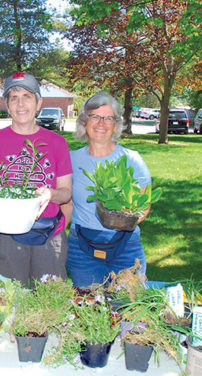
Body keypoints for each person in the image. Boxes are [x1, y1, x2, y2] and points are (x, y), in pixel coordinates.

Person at [0, 72, 72, 287]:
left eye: (27, 96)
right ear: (7, 105)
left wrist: (51, 194)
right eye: (14, 97)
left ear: (39, 103)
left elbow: (66, 191)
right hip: (5, 235)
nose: (20, 104)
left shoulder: (57, 143)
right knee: (7, 300)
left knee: (50, 302)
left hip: (49, 233)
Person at [63, 91, 153, 287]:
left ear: (116, 125)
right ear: (84, 122)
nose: (101, 123)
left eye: (108, 118)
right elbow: (67, 203)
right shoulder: (70, 159)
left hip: (125, 246)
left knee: (129, 306)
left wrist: (123, 220)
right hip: (81, 249)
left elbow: (144, 206)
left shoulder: (132, 160)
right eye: (95, 117)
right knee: (88, 308)